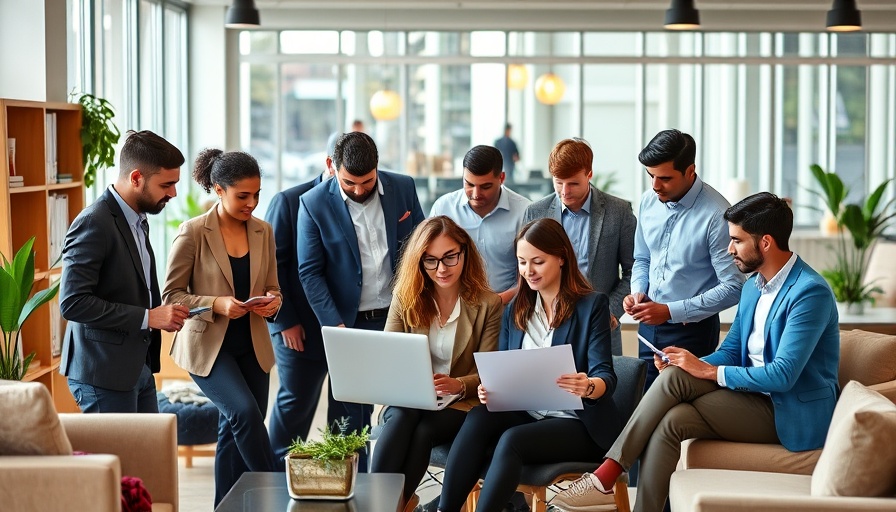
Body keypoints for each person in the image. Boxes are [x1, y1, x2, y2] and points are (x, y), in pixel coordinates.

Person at [552, 192, 840, 512]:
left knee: (678, 381)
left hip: (789, 412)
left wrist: (706, 371)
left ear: (766, 243)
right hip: (753, 398)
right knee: (674, 416)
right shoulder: (753, 286)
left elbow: (783, 375)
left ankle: (606, 473)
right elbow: (731, 350)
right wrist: (692, 363)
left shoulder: (809, 292)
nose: (729, 249)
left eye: (737, 240)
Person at [436, 218, 622, 512]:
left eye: (538, 262)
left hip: (578, 424)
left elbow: (605, 376)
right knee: (478, 417)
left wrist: (587, 386)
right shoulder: (515, 311)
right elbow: (504, 371)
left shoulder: (592, 306)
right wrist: (490, 390)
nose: (528, 271)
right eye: (522, 262)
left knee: (512, 440)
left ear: (561, 258)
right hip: (529, 414)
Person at [298, 131, 425, 471]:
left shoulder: (404, 187)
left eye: (366, 181)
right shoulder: (312, 204)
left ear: (378, 168)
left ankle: (393, 486)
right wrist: (336, 327)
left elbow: (422, 246)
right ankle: (351, 489)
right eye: (349, 182)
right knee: (350, 416)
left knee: (405, 405)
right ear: (332, 167)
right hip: (347, 322)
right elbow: (310, 273)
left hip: (397, 316)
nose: (358, 190)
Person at [163, 149, 282, 505]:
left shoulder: (263, 231)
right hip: (208, 349)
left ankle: (223, 506)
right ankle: (282, 491)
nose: (252, 203)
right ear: (218, 189)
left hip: (252, 345)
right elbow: (171, 296)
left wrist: (275, 302)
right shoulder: (194, 232)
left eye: (257, 194)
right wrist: (217, 304)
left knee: (234, 429)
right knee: (244, 414)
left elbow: (274, 286)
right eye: (242, 195)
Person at [370, 215, 503, 512]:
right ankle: (381, 503)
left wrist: (459, 384)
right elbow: (388, 355)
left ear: (464, 253)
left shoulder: (488, 304)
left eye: (449, 258)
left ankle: (394, 503)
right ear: (419, 262)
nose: (441, 269)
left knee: (422, 432)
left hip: (457, 403)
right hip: (408, 399)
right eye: (430, 260)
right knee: (404, 416)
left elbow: (489, 370)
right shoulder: (406, 298)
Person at [60, 129, 189, 413]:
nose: (173, 193)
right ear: (136, 178)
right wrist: (149, 317)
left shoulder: (138, 218)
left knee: (149, 456)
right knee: (123, 459)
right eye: (167, 184)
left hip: (136, 367)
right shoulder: (94, 222)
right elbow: (73, 303)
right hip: (102, 373)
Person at [626, 129, 744, 389]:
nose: (656, 185)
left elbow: (735, 287)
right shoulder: (648, 201)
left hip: (692, 332)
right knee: (643, 402)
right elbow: (643, 259)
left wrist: (669, 311)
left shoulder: (717, 215)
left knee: (677, 413)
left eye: (665, 178)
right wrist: (637, 293)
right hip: (647, 327)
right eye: (651, 176)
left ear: (690, 171)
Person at [265, 133, 341, 469]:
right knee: (295, 405)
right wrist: (285, 322)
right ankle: (270, 476)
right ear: (329, 165)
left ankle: (349, 478)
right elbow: (272, 268)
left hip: (348, 326)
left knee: (349, 415)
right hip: (299, 328)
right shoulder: (288, 201)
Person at [523, 138, 636, 356]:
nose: (564, 191)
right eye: (558, 182)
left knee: (604, 388)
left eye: (573, 183)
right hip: (546, 328)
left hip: (601, 327)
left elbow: (635, 270)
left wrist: (610, 312)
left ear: (589, 173)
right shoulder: (535, 212)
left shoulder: (619, 212)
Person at [430, 145, 530, 304]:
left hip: (508, 308)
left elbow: (530, 273)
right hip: (453, 308)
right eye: (469, 184)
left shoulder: (525, 212)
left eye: (485, 187)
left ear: (501, 178)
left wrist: (497, 302)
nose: (476, 195)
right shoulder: (443, 208)